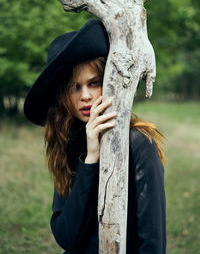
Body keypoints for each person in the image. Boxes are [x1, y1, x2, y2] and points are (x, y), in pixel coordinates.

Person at [24, 19, 166, 254]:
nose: (86, 96)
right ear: (62, 95)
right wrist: (90, 159)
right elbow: (66, 236)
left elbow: (152, 241)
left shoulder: (139, 142)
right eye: (74, 87)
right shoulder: (67, 141)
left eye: (94, 83)